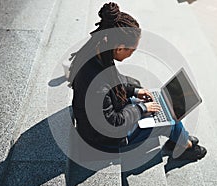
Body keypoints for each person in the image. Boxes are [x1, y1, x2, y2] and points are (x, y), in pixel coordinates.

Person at [69, 2, 206, 160]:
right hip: (105, 140)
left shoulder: (97, 53)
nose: (132, 54)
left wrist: (134, 91)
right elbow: (114, 123)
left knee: (145, 94)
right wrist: (141, 108)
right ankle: (185, 146)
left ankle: (180, 138)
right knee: (170, 120)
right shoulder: (97, 85)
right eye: (132, 50)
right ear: (120, 48)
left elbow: (115, 82)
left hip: (96, 124)